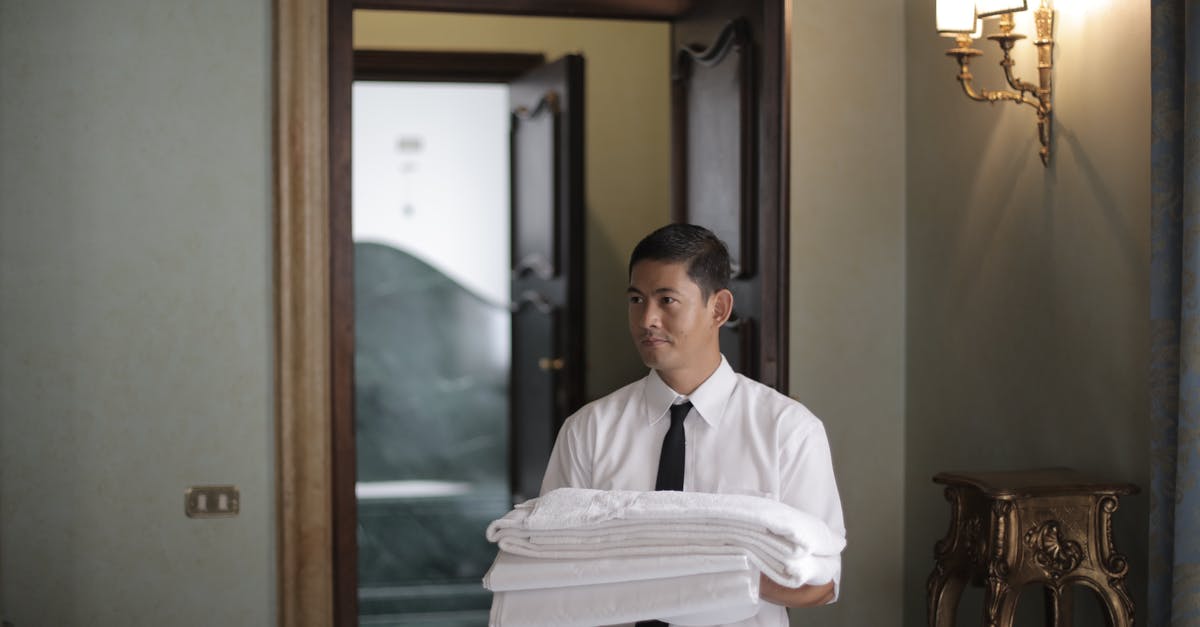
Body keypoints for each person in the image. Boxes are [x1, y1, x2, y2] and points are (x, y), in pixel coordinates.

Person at [540, 223, 846, 627]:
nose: (647, 318)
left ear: (718, 309)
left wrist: (696, 573)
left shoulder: (787, 431)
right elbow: (547, 565)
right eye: (636, 299)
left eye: (667, 300)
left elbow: (820, 583)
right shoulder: (588, 430)